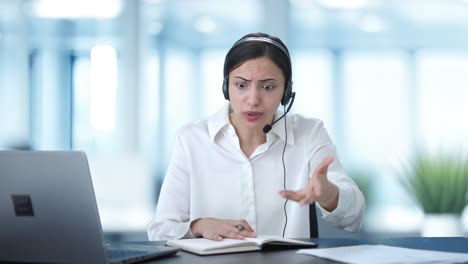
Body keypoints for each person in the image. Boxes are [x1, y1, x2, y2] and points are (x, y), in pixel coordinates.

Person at [147, 32, 365, 241]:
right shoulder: (191, 139)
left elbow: (354, 217)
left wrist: (327, 194)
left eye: (268, 87)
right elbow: (161, 230)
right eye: (241, 85)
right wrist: (199, 225)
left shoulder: (309, 133)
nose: (253, 100)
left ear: (286, 92)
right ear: (226, 87)